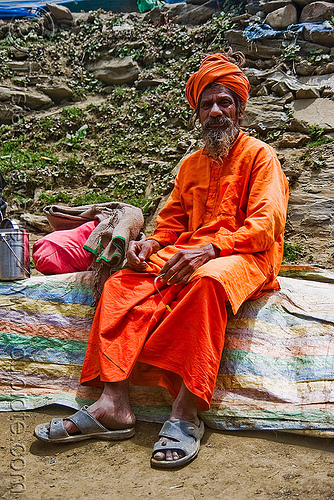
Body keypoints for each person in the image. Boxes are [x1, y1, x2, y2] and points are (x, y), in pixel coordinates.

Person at [34, 52, 289, 469]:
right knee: (120, 284)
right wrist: (149, 246)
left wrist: (212, 249)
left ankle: (185, 412)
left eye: (224, 102)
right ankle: (113, 404)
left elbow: (266, 223)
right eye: (206, 105)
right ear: (197, 114)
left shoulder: (261, 157)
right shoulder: (189, 165)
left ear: (239, 108)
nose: (216, 112)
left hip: (243, 253)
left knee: (208, 282)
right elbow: (170, 224)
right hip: (187, 251)